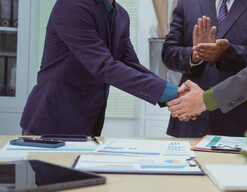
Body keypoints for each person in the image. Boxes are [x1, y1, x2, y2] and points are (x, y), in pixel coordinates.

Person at [20, 0, 178, 136]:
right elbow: (104, 66)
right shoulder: (73, 5)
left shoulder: (121, 15)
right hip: (51, 123)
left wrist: (176, 93)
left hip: (88, 126)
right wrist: (171, 92)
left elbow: (130, 65)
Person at [162, 0, 247, 137]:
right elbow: (168, 53)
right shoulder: (187, 2)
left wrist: (227, 54)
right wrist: (196, 55)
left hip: (240, 119)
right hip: (191, 119)